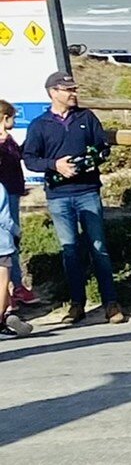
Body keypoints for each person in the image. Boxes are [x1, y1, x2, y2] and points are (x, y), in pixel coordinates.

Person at [21, 71, 123, 327]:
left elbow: (103, 148)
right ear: (53, 92)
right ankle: (77, 304)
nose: (73, 94)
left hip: (88, 192)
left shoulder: (86, 118)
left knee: (99, 249)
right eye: (67, 90)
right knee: (70, 251)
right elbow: (30, 159)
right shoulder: (39, 125)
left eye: (74, 89)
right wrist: (55, 165)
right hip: (58, 197)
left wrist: (89, 162)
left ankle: (111, 303)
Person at [0, 100, 29, 338]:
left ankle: (12, 299)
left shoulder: (8, 142)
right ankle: (10, 300)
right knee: (6, 253)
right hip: (4, 195)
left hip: (12, 191)